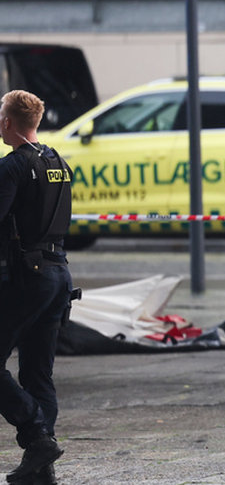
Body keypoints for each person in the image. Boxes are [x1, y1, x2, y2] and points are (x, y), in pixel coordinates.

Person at [0, 90, 74, 485]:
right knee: (38, 374)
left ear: (8, 122)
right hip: (58, 274)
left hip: (28, 277)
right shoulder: (59, 162)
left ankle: (36, 435)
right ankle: (41, 469)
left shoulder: (12, 166)